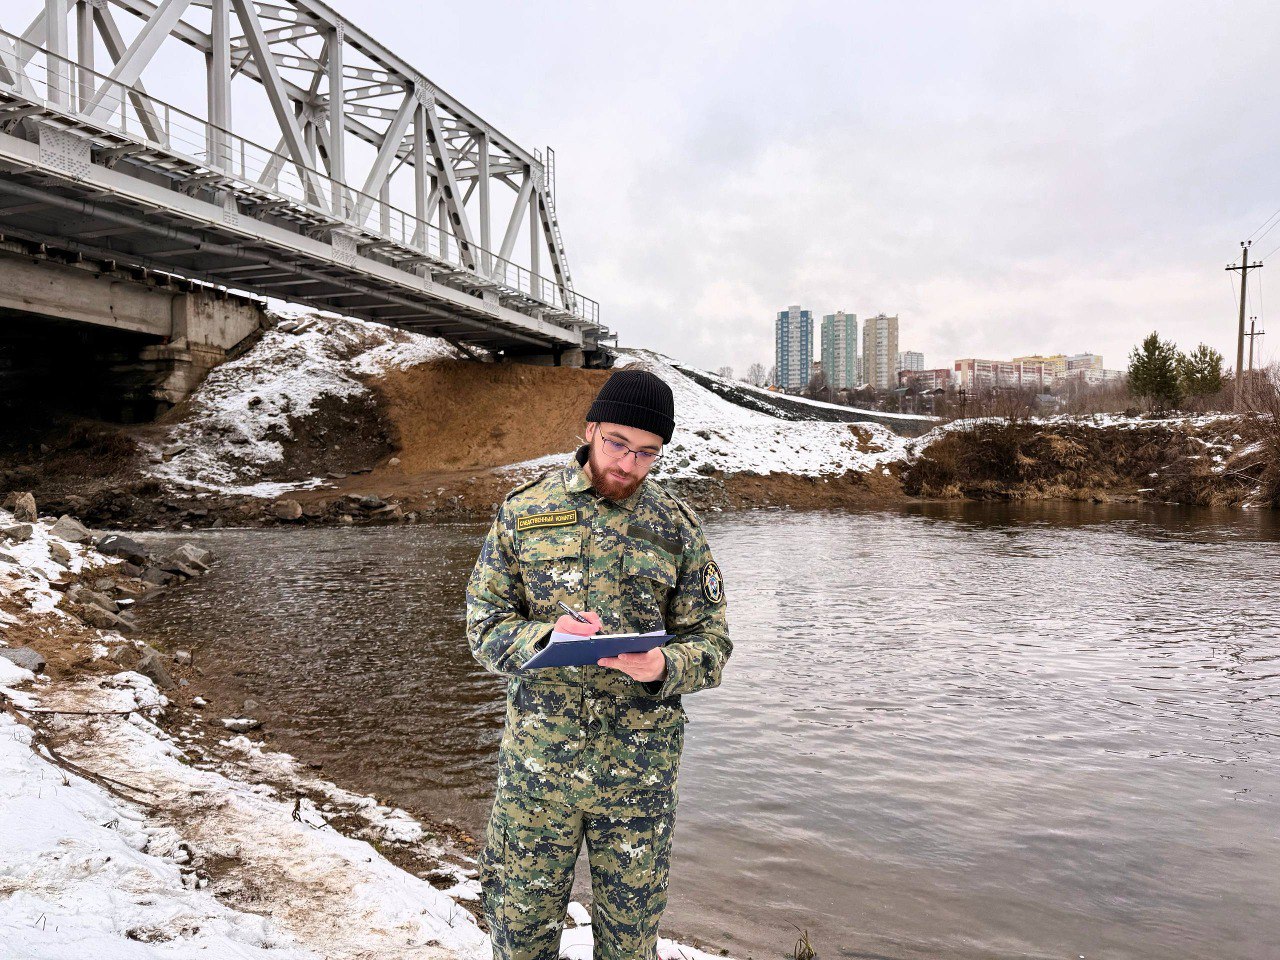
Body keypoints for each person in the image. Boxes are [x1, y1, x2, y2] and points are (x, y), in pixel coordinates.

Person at [466, 368, 732, 960]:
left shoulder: (677, 528)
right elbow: (482, 629)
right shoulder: (524, 513)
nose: (628, 464)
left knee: (630, 947)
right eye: (617, 443)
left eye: (647, 453)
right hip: (539, 774)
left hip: (639, 780)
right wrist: (544, 637)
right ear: (590, 429)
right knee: (520, 940)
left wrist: (664, 664)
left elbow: (713, 644)